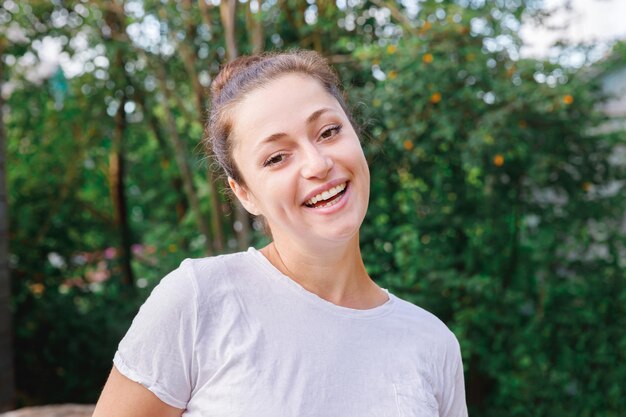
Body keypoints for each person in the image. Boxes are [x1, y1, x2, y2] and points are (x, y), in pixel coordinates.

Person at [92, 50, 468, 417]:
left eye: (328, 132)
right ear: (245, 193)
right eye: (276, 157)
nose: (318, 164)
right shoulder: (198, 300)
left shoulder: (432, 343)